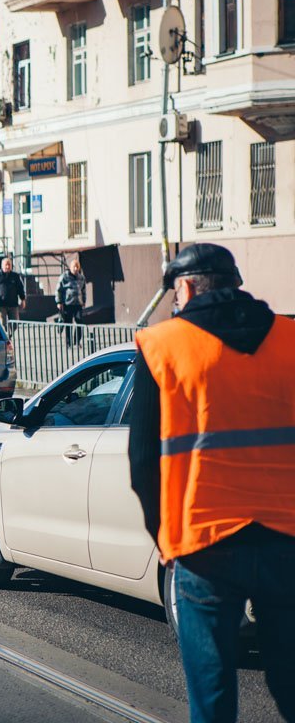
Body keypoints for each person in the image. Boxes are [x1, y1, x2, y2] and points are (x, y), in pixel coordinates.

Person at [128, 243, 295, 723]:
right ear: (235, 283)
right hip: (286, 540)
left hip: (204, 544)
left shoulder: (162, 346)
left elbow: (142, 461)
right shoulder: (289, 340)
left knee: (213, 693)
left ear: (185, 287)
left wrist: (165, 538)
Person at [0, 257, 26, 327]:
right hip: (0, 305)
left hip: (13, 305)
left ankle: (11, 334)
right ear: (2, 266)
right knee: (2, 325)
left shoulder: (16, 276)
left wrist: (23, 299)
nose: (7, 266)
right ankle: (5, 334)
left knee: (15, 325)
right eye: (6, 265)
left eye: (9, 265)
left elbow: (20, 288)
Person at [55, 258, 86, 347]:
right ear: (71, 267)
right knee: (68, 323)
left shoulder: (81, 278)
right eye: (74, 267)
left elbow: (83, 290)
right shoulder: (64, 277)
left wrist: (84, 300)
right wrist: (59, 302)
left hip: (78, 303)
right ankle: (68, 342)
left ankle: (77, 341)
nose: (75, 269)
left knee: (80, 322)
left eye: (77, 267)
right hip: (67, 303)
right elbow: (58, 290)